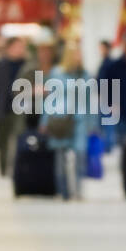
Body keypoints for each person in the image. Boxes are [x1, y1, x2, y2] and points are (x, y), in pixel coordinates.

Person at [43, 43, 92, 200]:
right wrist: (44, 121)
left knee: (80, 155)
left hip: (80, 120)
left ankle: (77, 190)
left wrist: (93, 124)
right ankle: (62, 190)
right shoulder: (57, 74)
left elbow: (90, 101)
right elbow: (50, 99)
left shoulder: (85, 75)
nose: (79, 57)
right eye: (76, 54)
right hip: (60, 120)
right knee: (60, 158)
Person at [0, 36, 28, 176]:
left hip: (22, 109)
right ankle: (3, 169)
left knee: (19, 139)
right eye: (17, 46)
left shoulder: (27, 65)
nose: (20, 50)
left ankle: (16, 168)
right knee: (3, 141)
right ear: (9, 48)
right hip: (4, 108)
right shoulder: (1, 65)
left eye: (21, 47)